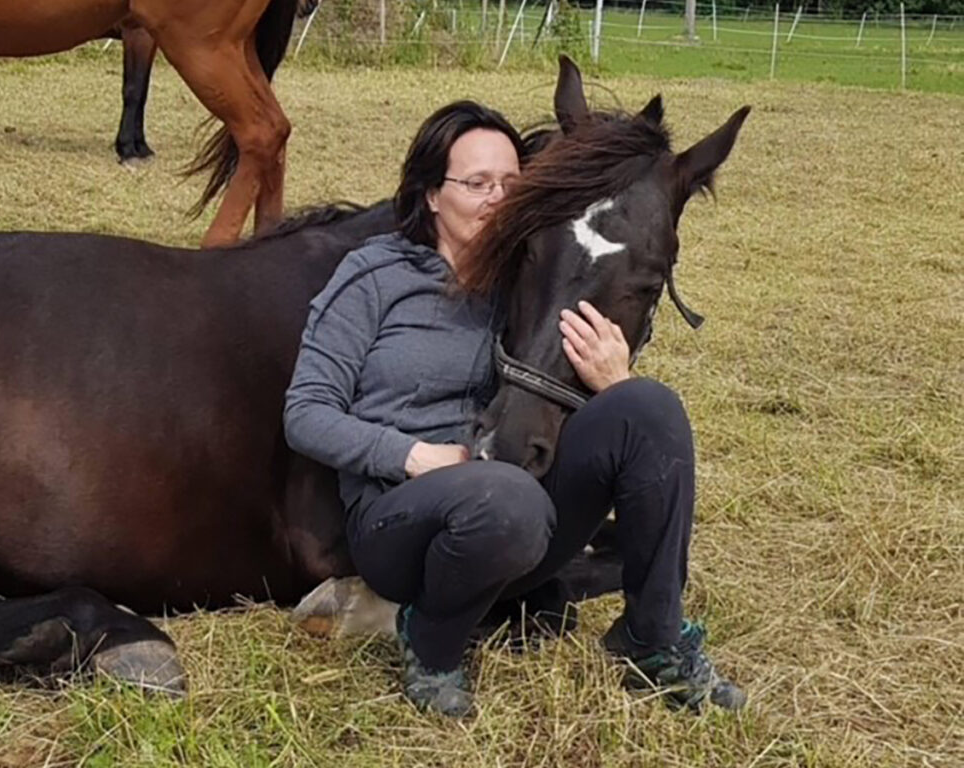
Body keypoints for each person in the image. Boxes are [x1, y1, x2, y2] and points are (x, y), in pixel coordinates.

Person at [284, 101, 745, 718]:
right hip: (401, 517)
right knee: (508, 497)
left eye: (511, 183)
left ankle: (653, 637)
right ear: (429, 194)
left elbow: (600, 257)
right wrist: (418, 457)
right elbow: (306, 411)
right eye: (476, 184)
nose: (497, 199)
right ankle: (432, 642)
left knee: (650, 407)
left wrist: (615, 381)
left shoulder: (529, 274)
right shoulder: (373, 276)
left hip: (520, 519)